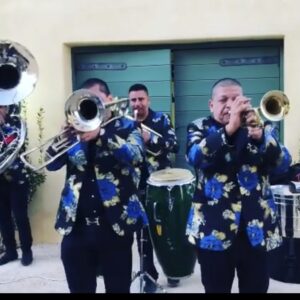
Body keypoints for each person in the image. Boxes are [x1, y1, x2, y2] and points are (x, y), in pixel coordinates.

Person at [185, 78, 292, 293]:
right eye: (223, 99)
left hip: (257, 230)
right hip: (213, 230)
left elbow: (283, 164)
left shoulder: (263, 127)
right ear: (211, 104)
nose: (230, 105)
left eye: (236, 99)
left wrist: (262, 137)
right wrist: (230, 128)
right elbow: (196, 157)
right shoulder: (200, 127)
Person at [46, 78, 147, 293]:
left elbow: (136, 156)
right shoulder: (74, 132)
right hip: (77, 228)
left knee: (118, 288)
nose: (91, 106)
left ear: (109, 100)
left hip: (115, 227)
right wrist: (62, 137)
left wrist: (102, 134)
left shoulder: (128, 126)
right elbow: (51, 164)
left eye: (96, 100)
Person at [128, 83, 179, 293]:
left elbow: (174, 145)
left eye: (141, 99)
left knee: (165, 232)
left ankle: (172, 269)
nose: (137, 104)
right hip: (134, 185)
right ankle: (149, 275)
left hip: (160, 185)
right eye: (133, 100)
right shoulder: (125, 123)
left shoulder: (161, 119)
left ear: (148, 100)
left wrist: (152, 139)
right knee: (142, 235)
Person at [0, 104, 33, 266]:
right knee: (3, 218)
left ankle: (27, 250)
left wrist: (3, 126)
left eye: (1, 107)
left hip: (17, 177)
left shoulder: (17, 122)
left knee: (20, 216)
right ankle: (11, 251)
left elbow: (16, 144)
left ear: (6, 107)